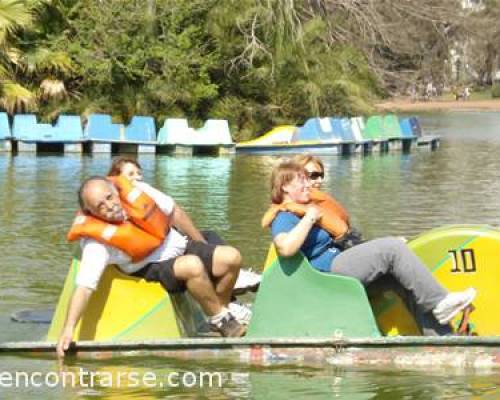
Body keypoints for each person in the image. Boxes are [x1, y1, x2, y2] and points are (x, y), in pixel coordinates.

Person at [264, 159, 477, 335]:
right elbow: (285, 249)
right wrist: (309, 218)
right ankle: (441, 303)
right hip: (326, 274)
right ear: (285, 186)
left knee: (400, 280)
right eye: (301, 180)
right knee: (391, 249)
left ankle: (442, 340)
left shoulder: (306, 208)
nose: (308, 185)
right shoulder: (284, 216)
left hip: (339, 263)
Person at [57, 176, 247, 358]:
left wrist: (203, 245)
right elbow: (84, 288)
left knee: (231, 257)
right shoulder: (96, 244)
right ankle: (221, 319)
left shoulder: (138, 191)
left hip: (179, 245)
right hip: (149, 267)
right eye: (100, 206)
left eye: (109, 197)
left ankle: (220, 314)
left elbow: (175, 212)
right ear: (91, 213)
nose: (109, 205)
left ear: (115, 190)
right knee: (193, 265)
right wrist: (68, 329)